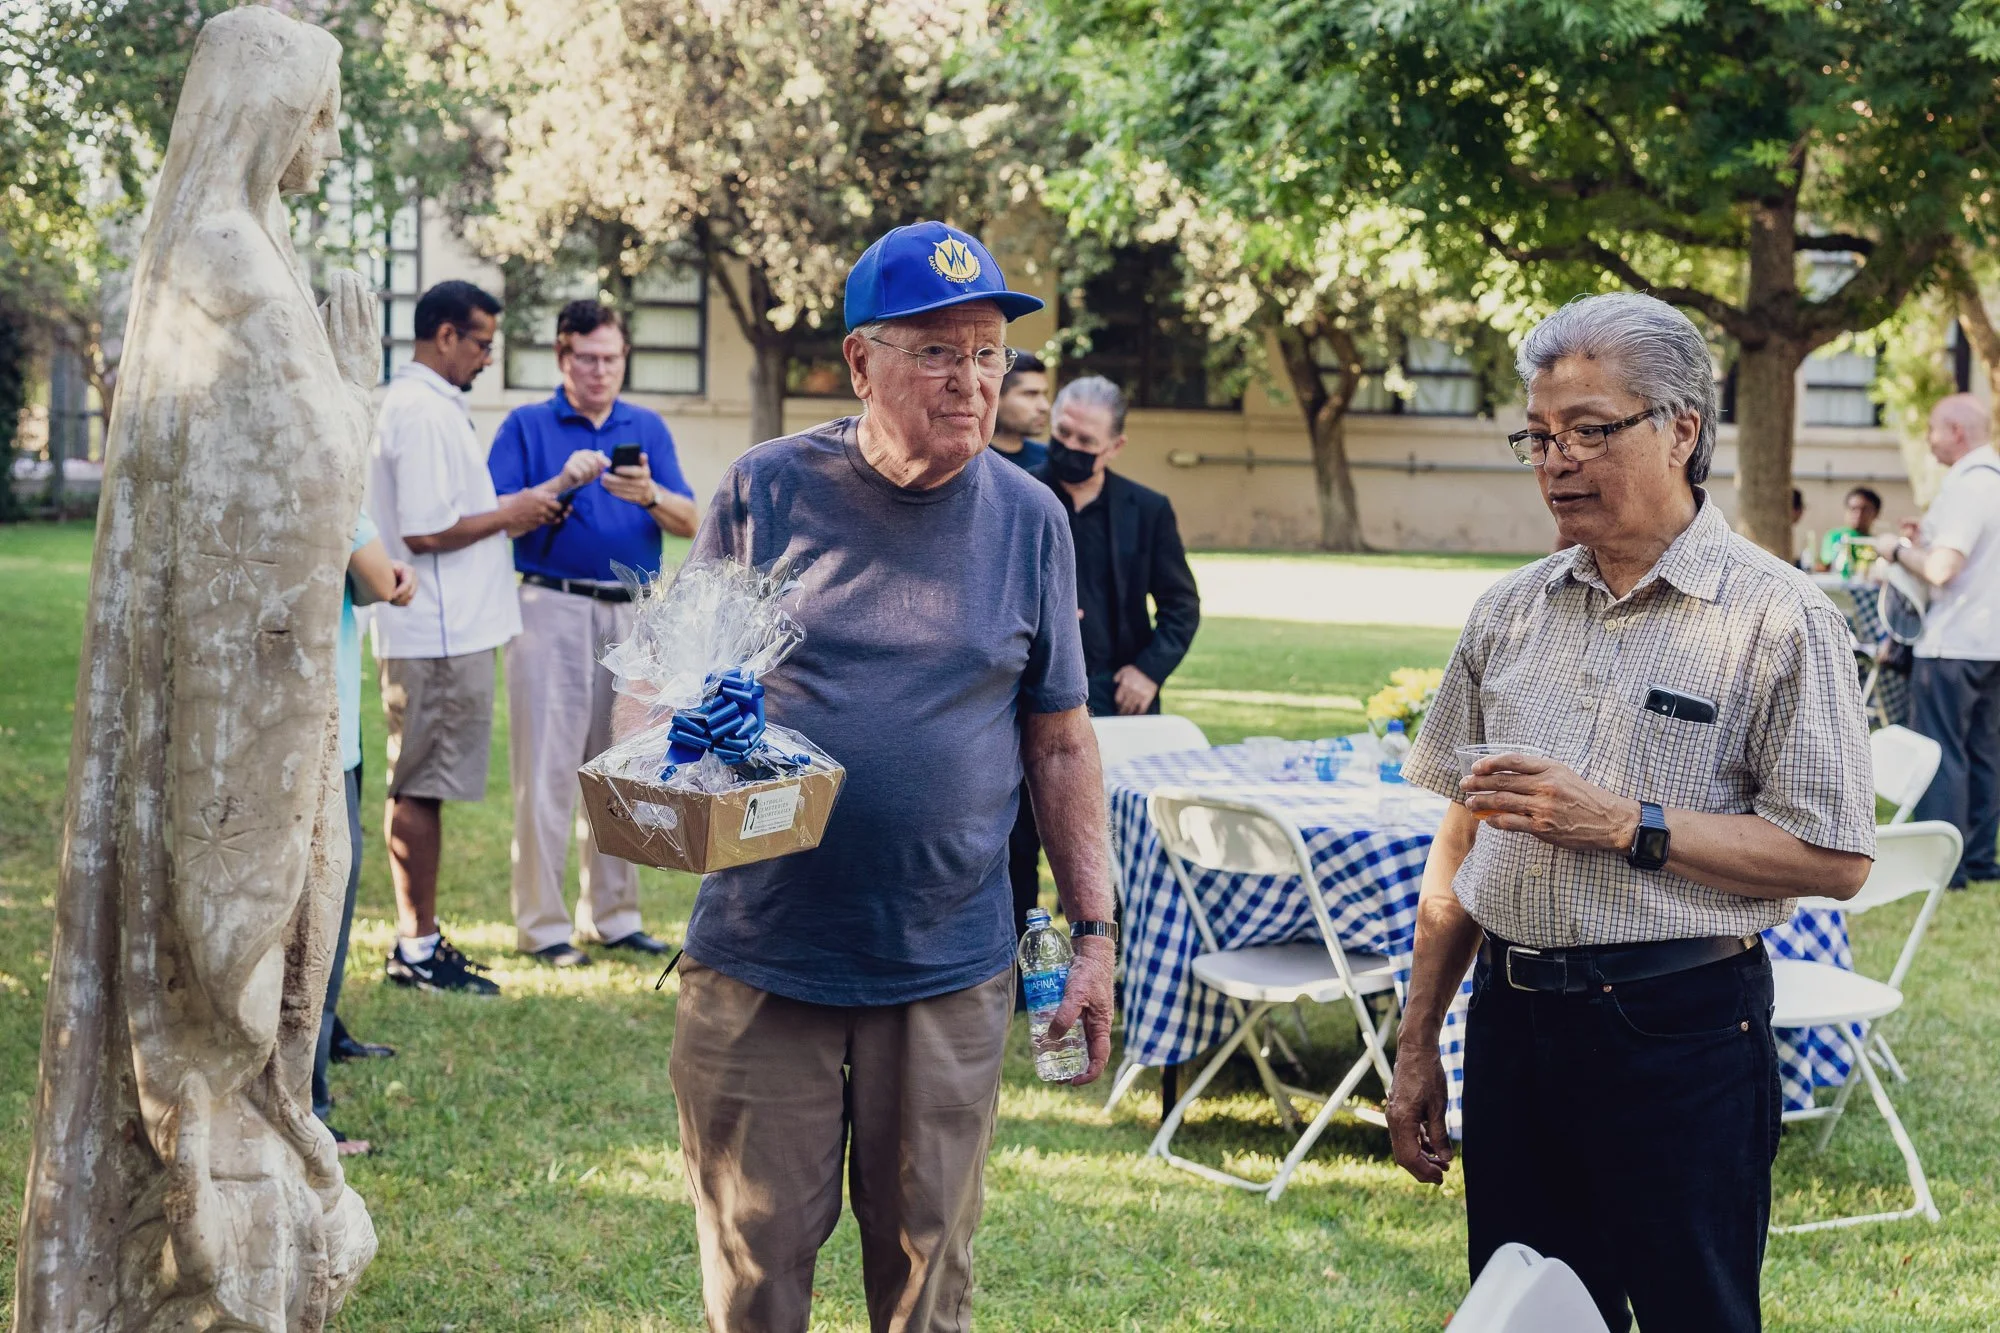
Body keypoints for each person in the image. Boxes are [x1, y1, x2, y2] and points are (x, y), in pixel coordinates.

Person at [1386, 292, 1876, 1333]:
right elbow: (1462, 836)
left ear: (1680, 429)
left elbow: (1833, 856)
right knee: (1527, 1307)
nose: (1555, 460)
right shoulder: (1507, 610)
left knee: (1692, 1313)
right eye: (1537, 435)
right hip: (1513, 1024)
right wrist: (1418, 1037)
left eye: (1588, 430)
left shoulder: (1778, 616)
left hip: (1678, 1028)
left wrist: (1624, 822)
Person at [663, 221, 1115, 1333]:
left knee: (927, 1280)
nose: (971, 381)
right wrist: (689, 737)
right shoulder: (766, 491)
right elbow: (667, 692)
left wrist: (1094, 934)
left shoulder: (1030, 519)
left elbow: (1060, 740)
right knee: (754, 1276)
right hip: (767, 953)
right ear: (861, 363)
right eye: (938, 352)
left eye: (988, 353)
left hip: (945, 967)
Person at [367, 280, 569, 995]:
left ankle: (421, 939)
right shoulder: (420, 409)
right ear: (445, 335)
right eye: (482, 343)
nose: (488, 357)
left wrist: (511, 508)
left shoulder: (433, 404)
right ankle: (416, 948)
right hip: (437, 632)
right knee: (421, 785)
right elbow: (425, 529)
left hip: (449, 629)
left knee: (428, 784)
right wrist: (513, 511)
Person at [489, 299, 698, 966]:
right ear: (562, 356)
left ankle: (613, 915)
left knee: (625, 764)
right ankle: (542, 925)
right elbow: (494, 513)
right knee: (547, 767)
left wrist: (649, 496)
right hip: (550, 605)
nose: (601, 370)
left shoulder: (647, 426)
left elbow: (691, 519)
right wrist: (561, 483)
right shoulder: (526, 424)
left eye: (612, 358)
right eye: (587, 358)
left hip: (631, 615)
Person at [314, 515, 416, 1156]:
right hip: (318, 733)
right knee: (316, 925)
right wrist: (386, 575)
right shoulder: (326, 484)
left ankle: (311, 1069)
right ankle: (307, 1110)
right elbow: (380, 579)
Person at [1875, 393, 2000, 887]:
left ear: (1956, 432)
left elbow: (1943, 569)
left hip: (1952, 642)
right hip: (1992, 642)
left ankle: (1943, 866)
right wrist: (1923, 540)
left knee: (1941, 752)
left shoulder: (1969, 487)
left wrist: (1897, 550)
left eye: (1933, 429)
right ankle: (1980, 859)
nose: (1928, 440)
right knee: (1985, 753)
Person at [1036, 374, 1201, 719]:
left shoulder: (1148, 509)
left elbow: (1181, 604)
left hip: (1118, 691)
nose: (1070, 446)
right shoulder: (1018, 494)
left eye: (1086, 440)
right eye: (1063, 432)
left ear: (1115, 447)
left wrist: (1149, 671)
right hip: (1032, 691)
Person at [989, 347, 1051, 470]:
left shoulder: (1047, 462)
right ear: (995, 396)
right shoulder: (967, 462)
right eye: (1031, 394)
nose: (1045, 406)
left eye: (1044, 394)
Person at [1816, 485, 1882, 575]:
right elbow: (1826, 565)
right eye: (1853, 509)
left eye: (1865, 509)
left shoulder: (1877, 543)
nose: (1858, 514)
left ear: (1876, 513)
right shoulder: (1835, 536)